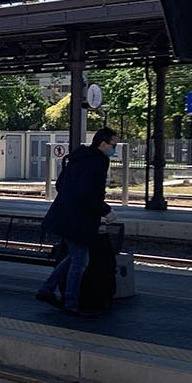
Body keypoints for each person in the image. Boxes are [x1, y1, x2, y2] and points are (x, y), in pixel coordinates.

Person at [36, 127, 120, 317]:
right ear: (103, 144)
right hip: (78, 220)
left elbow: (60, 184)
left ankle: (47, 289)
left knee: (74, 257)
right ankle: (71, 304)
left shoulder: (78, 157)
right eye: (113, 145)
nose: (114, 149)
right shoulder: (98, 162)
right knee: (80, 262)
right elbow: (89, 193)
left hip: (65, 215)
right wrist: (106, 211)